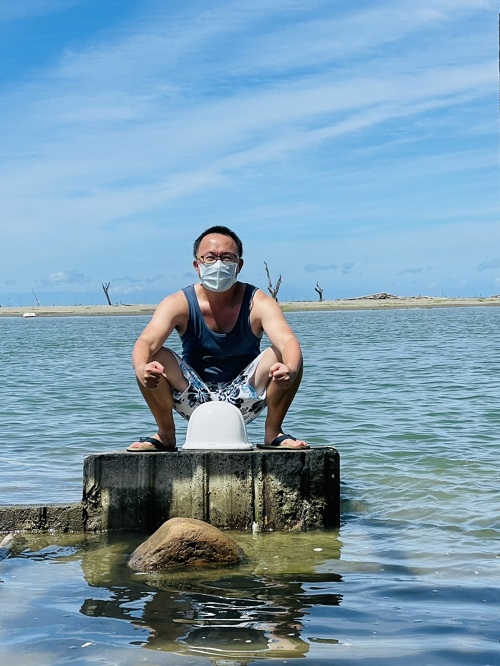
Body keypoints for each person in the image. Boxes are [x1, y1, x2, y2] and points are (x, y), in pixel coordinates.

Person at [128, 225, 309, 452]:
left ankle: (273, 432)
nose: (218, 264)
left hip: (246, 396)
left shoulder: (258, 302)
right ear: (197, 265)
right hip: (193, 396)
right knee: (151, 357)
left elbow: (287, 341)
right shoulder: (178, 302)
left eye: (227, 258)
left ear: (239, 265)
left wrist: (289, 371)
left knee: (288, 356)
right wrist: (142, 369)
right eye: (210, 258)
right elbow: (145, 341)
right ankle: (165, 433)